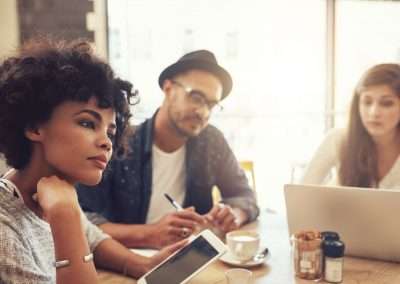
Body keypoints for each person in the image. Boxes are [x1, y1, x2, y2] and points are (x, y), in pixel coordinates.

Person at [0, 38, 185, 284]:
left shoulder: (56, 190)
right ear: (34, 125)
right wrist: (65, 217)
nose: (107, 143)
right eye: (87, 123)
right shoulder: (6, 231)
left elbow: (94, 239)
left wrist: (144, 265)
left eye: (110, 132)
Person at [77, 49, 259, 249]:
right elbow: (81, 218)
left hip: (190, 261)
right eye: (196, 97)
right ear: (168, 88)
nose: (203, 112)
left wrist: (234, 214)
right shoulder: (119, 141)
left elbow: (244, 196)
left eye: (211, 105)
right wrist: (148, 234)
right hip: (125, 263)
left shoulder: (211, 141)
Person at [301, 63, 400, 189]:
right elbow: (301, 192)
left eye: (386, 103)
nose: (374, 112)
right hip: (335, 209)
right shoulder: (338, 139)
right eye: (367, 102)